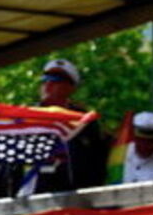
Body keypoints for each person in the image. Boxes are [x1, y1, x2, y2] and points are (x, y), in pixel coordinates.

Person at [34, 58, 106, 192]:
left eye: (55, 79)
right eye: (45, 79)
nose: (48, 83)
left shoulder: (85, 121)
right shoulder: (26, 117)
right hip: (34, 192)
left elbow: (98, 162)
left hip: (76, 195)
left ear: (71, 88)